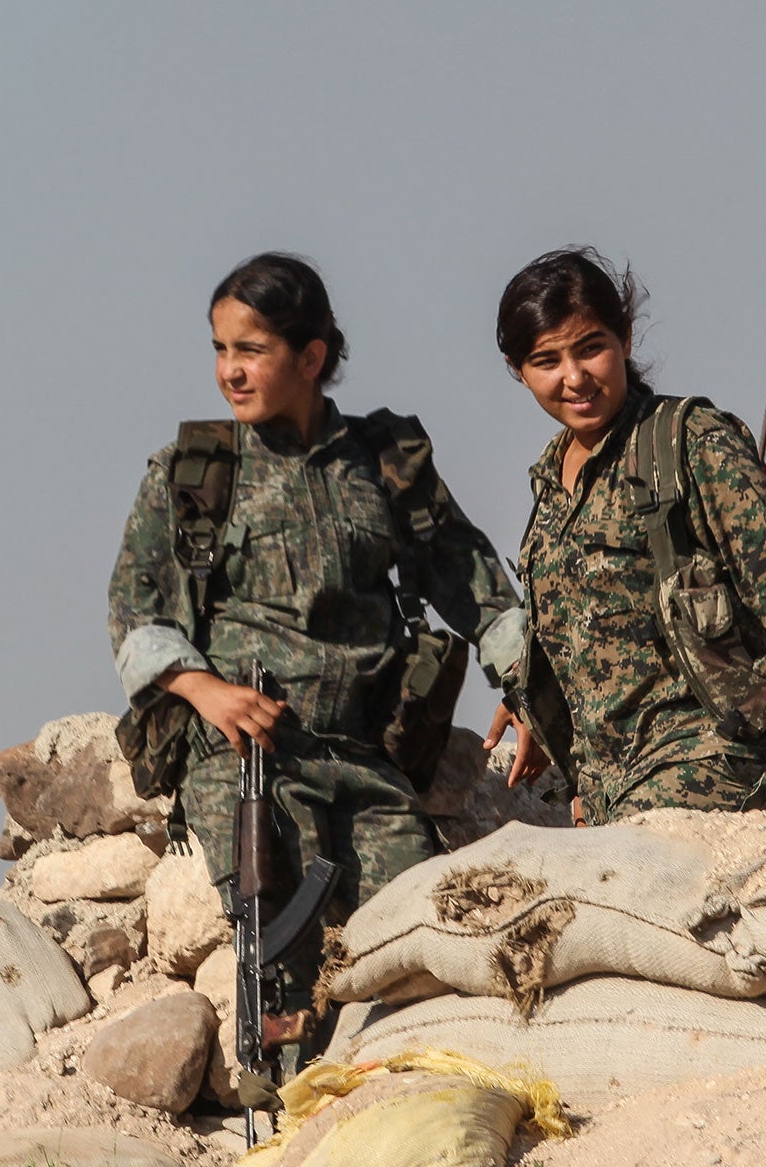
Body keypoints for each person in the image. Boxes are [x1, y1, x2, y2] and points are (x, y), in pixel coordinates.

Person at [107, 252, 523, 1062]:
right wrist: (207, 693)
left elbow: (471, 582)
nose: (231, 370)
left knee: (415, 936)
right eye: (221, 349)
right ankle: (283, 1105)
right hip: (250, 759)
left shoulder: (386, 464)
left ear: (312, 357)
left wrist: (534, 685)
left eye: (251, 350)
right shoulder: (195, 471)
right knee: (283, 958)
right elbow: (136, 612)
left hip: (367, 759)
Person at [483, 247, 766, 824]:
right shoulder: (550, 484)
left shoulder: (689, 443)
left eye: (591, 348)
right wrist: (535, 704)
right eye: (547, 360)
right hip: (612, 792)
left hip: (715, 762)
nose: (575, 378)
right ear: (518, 369)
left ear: (625, 339)